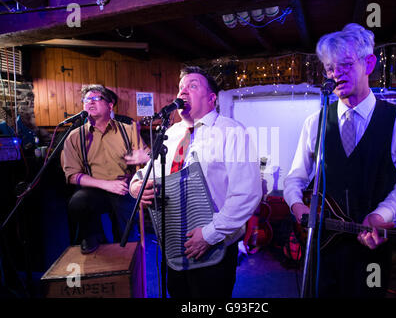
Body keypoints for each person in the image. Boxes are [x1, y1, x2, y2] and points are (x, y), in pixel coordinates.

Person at [283, 23, 396, 297]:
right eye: (329, 67)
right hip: (320, 252)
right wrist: (296, 206)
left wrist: (379, 216)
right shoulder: (315, 123)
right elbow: (295, 177)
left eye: (346, 64)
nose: (336, 74)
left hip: (371, 256)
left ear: (369, 63)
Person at [129, 66, 262, 298]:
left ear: (212, 99)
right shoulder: (170, 134)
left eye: (192, 86)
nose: (182, 92)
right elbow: (145, 174)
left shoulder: (231, 132)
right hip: (173, 244)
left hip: (214, 245)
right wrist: (136, 187)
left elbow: (247, 194)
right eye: (180, 87)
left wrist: (209, 235)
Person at [62, 84, 149, 254]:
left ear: (110, 105)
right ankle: (94, 237)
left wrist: (145, 157)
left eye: (96, 98)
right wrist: (106, 185)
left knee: (126, 239)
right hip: (94, 189)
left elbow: (149, 156)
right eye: (87, 99)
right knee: (78, 202)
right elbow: (72, 175)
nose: (90, 102)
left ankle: (127, 248)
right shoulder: (74, 137)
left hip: (124, 187)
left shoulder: (128, 130)